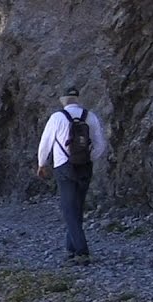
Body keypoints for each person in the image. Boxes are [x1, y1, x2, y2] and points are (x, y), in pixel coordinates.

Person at [37, 87, 108, 263]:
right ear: (77, 99)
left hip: (63, 167)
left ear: (63, 100)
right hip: (85, 166)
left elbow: (45, 143)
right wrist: (89, 158)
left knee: (68, 208)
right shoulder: (89, 116)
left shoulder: (57, 118)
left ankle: (82, 251)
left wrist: (41, 164)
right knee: (77, 206)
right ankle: (71, 248)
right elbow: (100, 144)